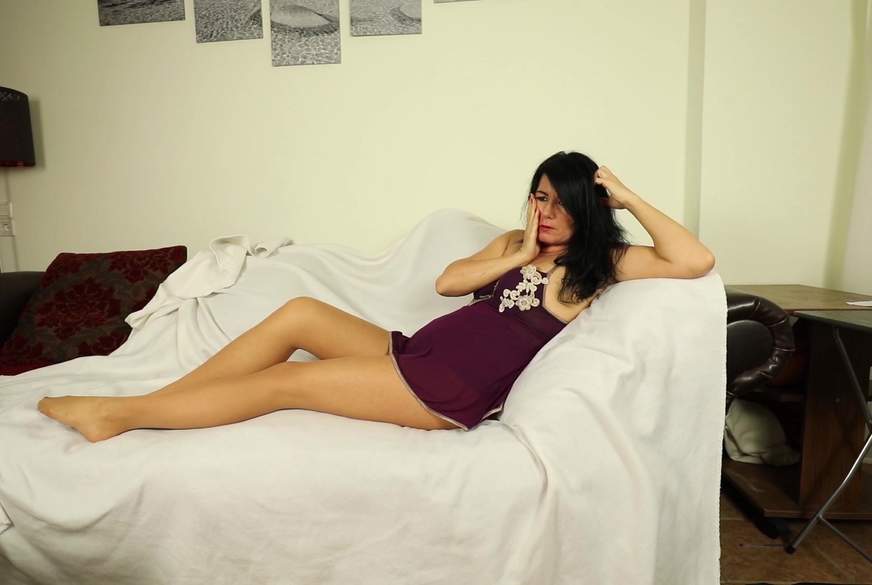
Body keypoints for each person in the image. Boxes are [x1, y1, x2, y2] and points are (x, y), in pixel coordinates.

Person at [37, 151, 715, 441]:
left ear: (587, 207)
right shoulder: (516, 240)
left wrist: (625, 194)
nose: (545, 212)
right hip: (418, 354)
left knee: (285, 383)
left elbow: (694, 260)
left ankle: (121, 416)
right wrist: (517, 253)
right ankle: (164, 399)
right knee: (299, 313)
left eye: (560, 203)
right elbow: (449, 282)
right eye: (539, 197)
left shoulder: (602, 263)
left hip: (449, 389)